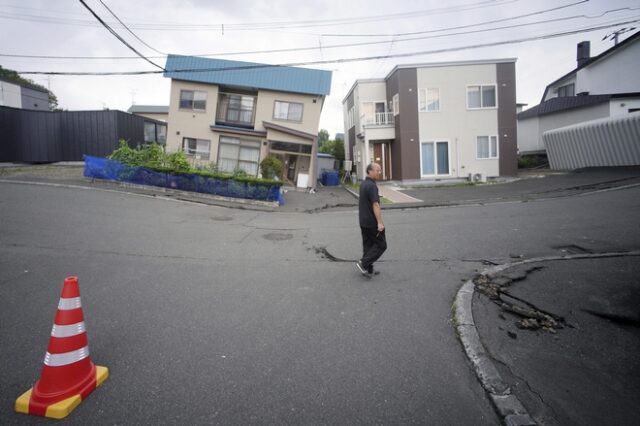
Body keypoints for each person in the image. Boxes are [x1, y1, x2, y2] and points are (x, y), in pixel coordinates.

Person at [356, 162, 387, 277]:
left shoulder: (363, 184)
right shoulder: (372, 186)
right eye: (378, 170)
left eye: (380, 170)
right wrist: (379, 223)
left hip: (363, 221)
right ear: (370, 171)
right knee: (381, 245)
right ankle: (363, 263)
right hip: (371, 222)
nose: (380, 173)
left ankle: (368, 268)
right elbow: (375, 205)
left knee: (368, 245)